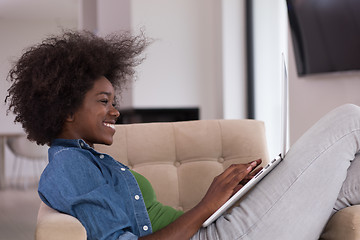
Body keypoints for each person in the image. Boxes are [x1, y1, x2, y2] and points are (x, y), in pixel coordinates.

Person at [5, 30, 360, 240]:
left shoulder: (89, 160)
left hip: (219, 226)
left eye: (115, 101)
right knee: (348, 121)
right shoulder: (70, 168)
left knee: (353, 175)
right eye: (103, 101)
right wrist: (209, 203)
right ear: (66, 108)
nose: (115, 111)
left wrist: (225, 201)